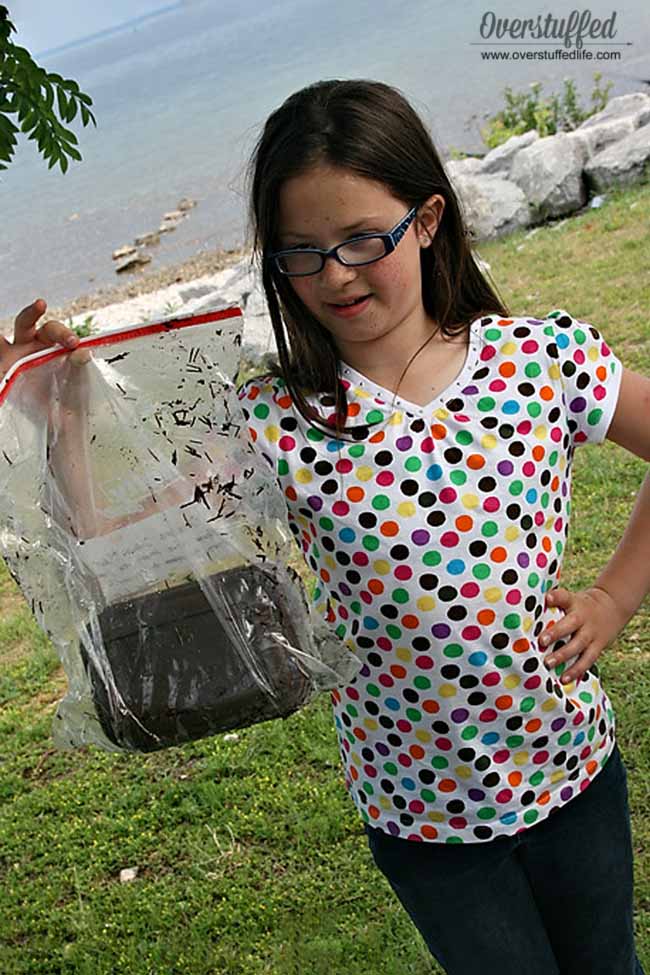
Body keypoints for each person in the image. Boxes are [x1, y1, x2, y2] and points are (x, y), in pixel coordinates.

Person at [4, 78, 649, 974]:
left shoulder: (542, 361)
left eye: (360, 239)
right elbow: (101, 534)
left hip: (573, 769)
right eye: (299, 253)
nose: (334, 274)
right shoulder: (273, 422)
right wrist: (57, 406)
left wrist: (616, 596)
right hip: (422, 818)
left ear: (427, 219)